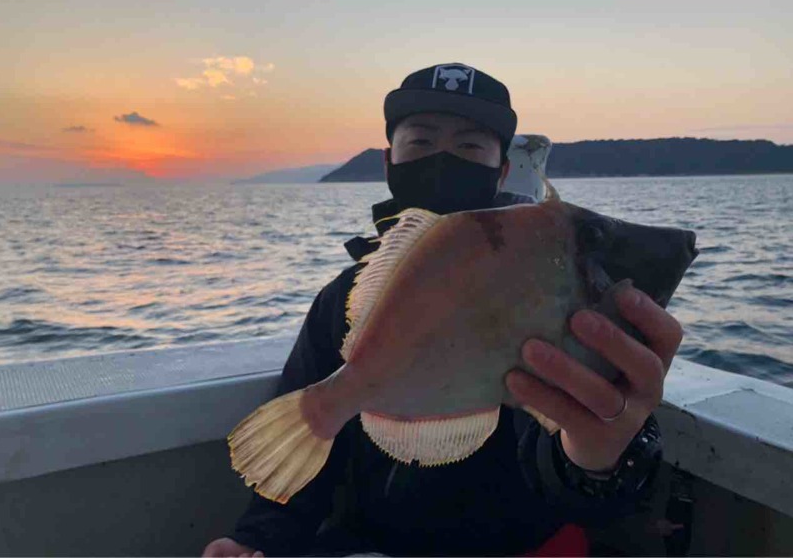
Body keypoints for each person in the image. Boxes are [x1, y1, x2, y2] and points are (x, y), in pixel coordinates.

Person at [203, 63, 679, 557]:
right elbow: (311, 456)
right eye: (421, 143)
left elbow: (570, 463)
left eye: (470, 146)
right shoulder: (341, 298)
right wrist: (254, 541)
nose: (442, 159)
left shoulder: (552, 285)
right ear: (390, 163)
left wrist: (599, 462)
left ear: (500, 171)